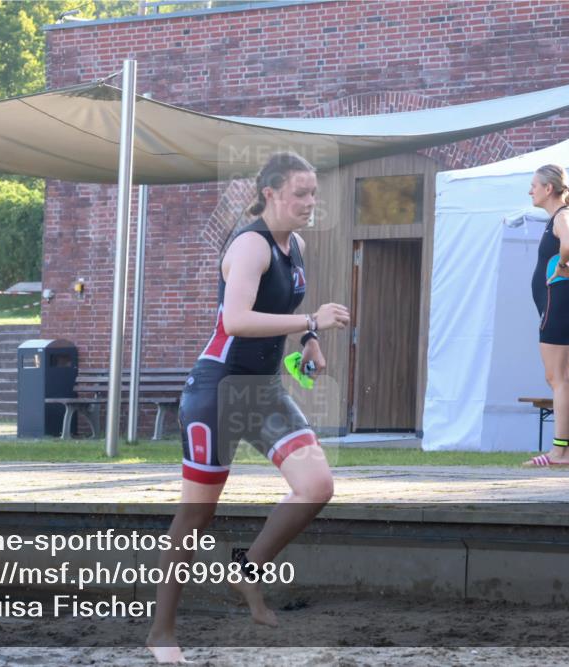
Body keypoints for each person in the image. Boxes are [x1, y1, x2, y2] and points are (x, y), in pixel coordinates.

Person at [147, 152, 350, 663]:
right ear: (271, 194)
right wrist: (312, 320)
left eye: (313, 193)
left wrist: (307, 340)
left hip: (263, 389)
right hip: (218, 390)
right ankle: (162, 634)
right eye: (300, 193)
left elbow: (279, 309)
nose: (310, 202)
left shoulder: (294, 245)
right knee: (196, 516)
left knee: (317, 486)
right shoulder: (249, 246)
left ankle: (247, 567)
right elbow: (235, 320)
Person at [525, 164, 569, 467]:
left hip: (558, 303)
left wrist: (563, 264)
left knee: (557, 378)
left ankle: (559, 451)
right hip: (565, 303)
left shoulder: (562, 216)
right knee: (568, 377)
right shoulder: (565, 215)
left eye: (534, 185)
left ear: (548, 188)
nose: (530, 191)